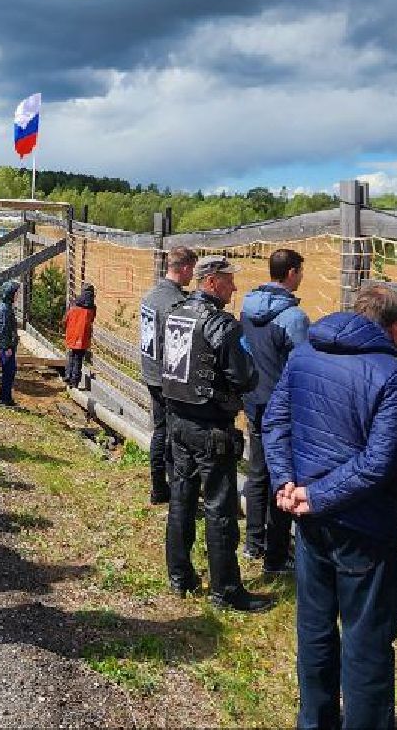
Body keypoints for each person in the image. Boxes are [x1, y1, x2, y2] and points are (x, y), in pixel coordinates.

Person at [264, 283, 397, 729]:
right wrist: (308, 492)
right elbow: (379, 463)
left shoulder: (306, 353)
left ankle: (315, 720)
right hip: (362, 525)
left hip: (310, 518)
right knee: (366, 638)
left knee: (314, 627)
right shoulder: (391, 376)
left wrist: (287, 483)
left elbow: (274, 421)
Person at [161, 255, 270, 613]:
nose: (234, 287)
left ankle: (180, 575)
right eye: (228, 281)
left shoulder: (176, 314)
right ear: (210, 283)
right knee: (219, 508)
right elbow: (245, 376)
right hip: (210, 428)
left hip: (177, 421)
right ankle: (225, 590)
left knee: (181, 499)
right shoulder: (220, 325)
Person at [241, 248, 312, 576]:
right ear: (292, 273)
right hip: (282, 408)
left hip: (253, 398)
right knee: (282, 477)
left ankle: (253, 543)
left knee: (258, 471)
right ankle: (277, 554)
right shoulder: (294, 318)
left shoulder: (246, 305)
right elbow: (303, 366)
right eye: (300, 271)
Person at [138, 247, 196, 506]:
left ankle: (158, 488)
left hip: (150, 372)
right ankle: (171, 490)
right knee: (169, 435)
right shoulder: (174, 304)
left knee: (160, 430)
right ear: (183, 268)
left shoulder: (150, 296)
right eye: (191, 269)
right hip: (166, 379)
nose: (192, 275)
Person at [0, 280, 21, 405]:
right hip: (7, 346)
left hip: (8, 345)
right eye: (16, 293)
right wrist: (7, 346)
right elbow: (2, 330)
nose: (17, 295)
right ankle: (4, 397)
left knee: (9, 371)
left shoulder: (7, 306)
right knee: (8, 371)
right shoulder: (4, 309)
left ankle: (4, 394)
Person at [62, 284, 95, 389]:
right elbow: (91, 321)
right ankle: (75, 381)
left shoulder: (73, 306)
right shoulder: (92, 309)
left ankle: (68, 376)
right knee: (78, 359)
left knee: (71, 356)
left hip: (72, 335)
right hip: (83, 338)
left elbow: (65, 320)